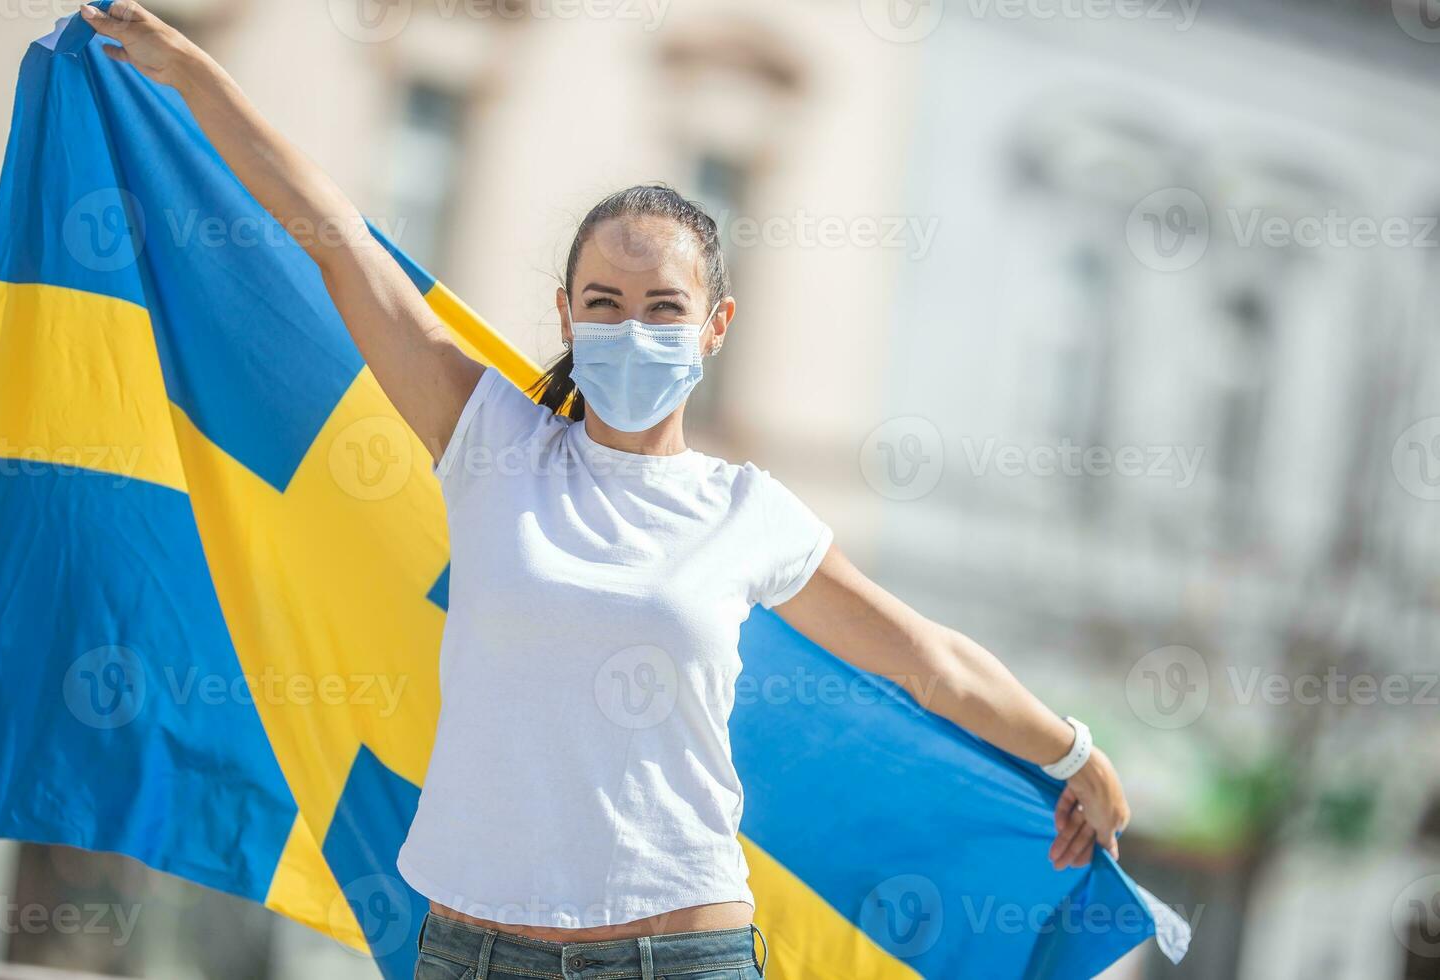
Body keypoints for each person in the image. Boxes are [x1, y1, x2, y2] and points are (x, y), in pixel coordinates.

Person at [78, 4, 1132, 978]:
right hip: (472, 951)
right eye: (605, 302)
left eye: (665, 305)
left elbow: (932, 662)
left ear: (717, 324)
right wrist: (192, 72)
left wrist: (1074, 750)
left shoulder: (748, 510)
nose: (633, 329)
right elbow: (337, 238)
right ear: (566, 313)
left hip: (682, 955)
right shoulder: (489, 437)